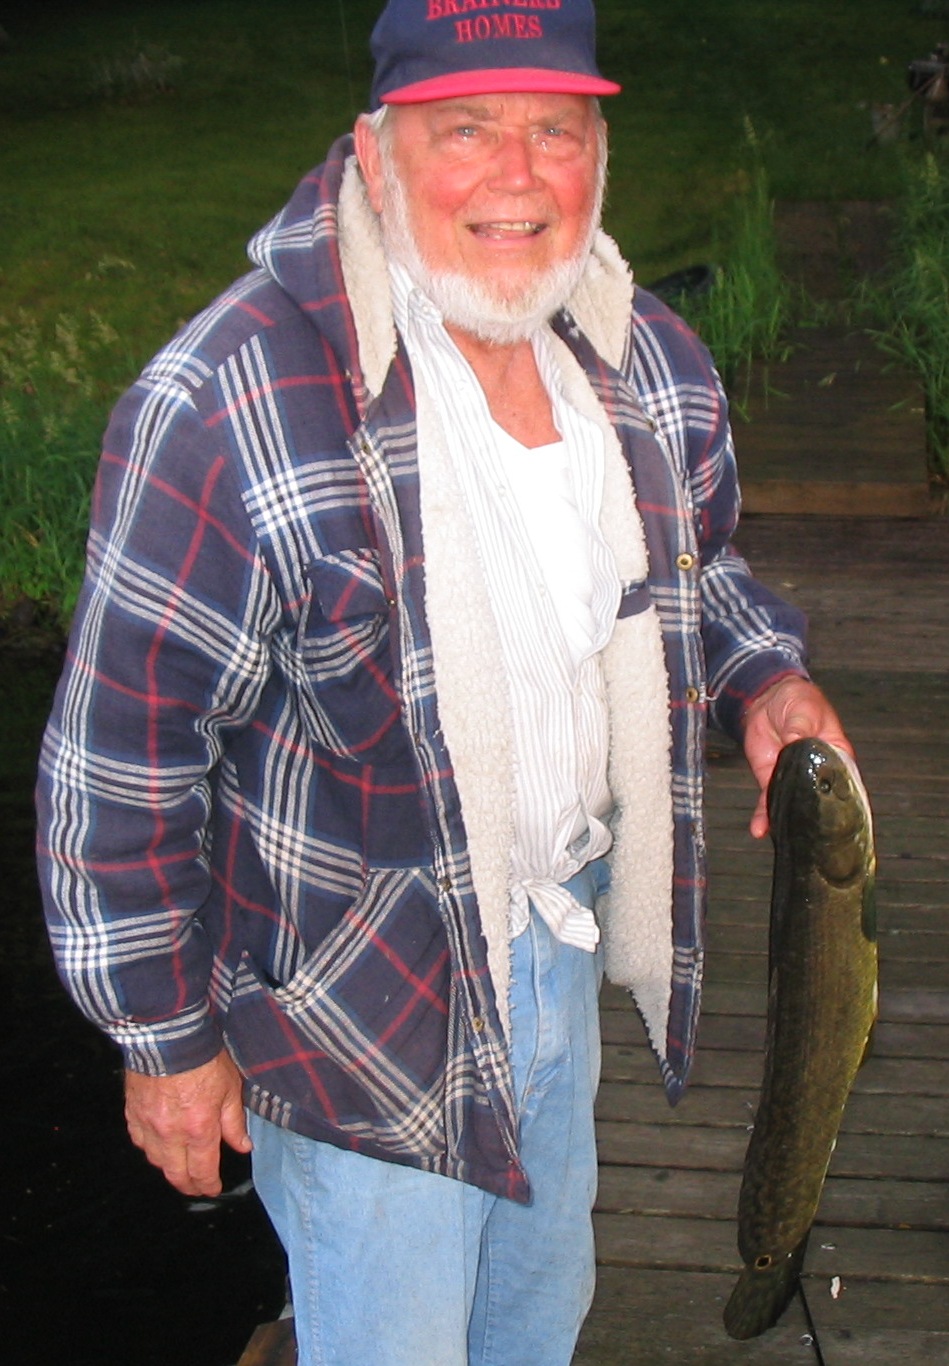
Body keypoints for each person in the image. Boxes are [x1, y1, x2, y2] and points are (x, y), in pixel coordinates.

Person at [36, 2, 852, 1363]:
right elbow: (119, 762)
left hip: (563, 952)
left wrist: (763, 678)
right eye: (464, 129)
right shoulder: (228, 402)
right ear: (375, 150)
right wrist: (167, 1040)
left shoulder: (642, 358)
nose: (517, 175)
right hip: (364, 1013)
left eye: (554, 130)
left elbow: (694, 575)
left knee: (537, 1326)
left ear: (600, 151)